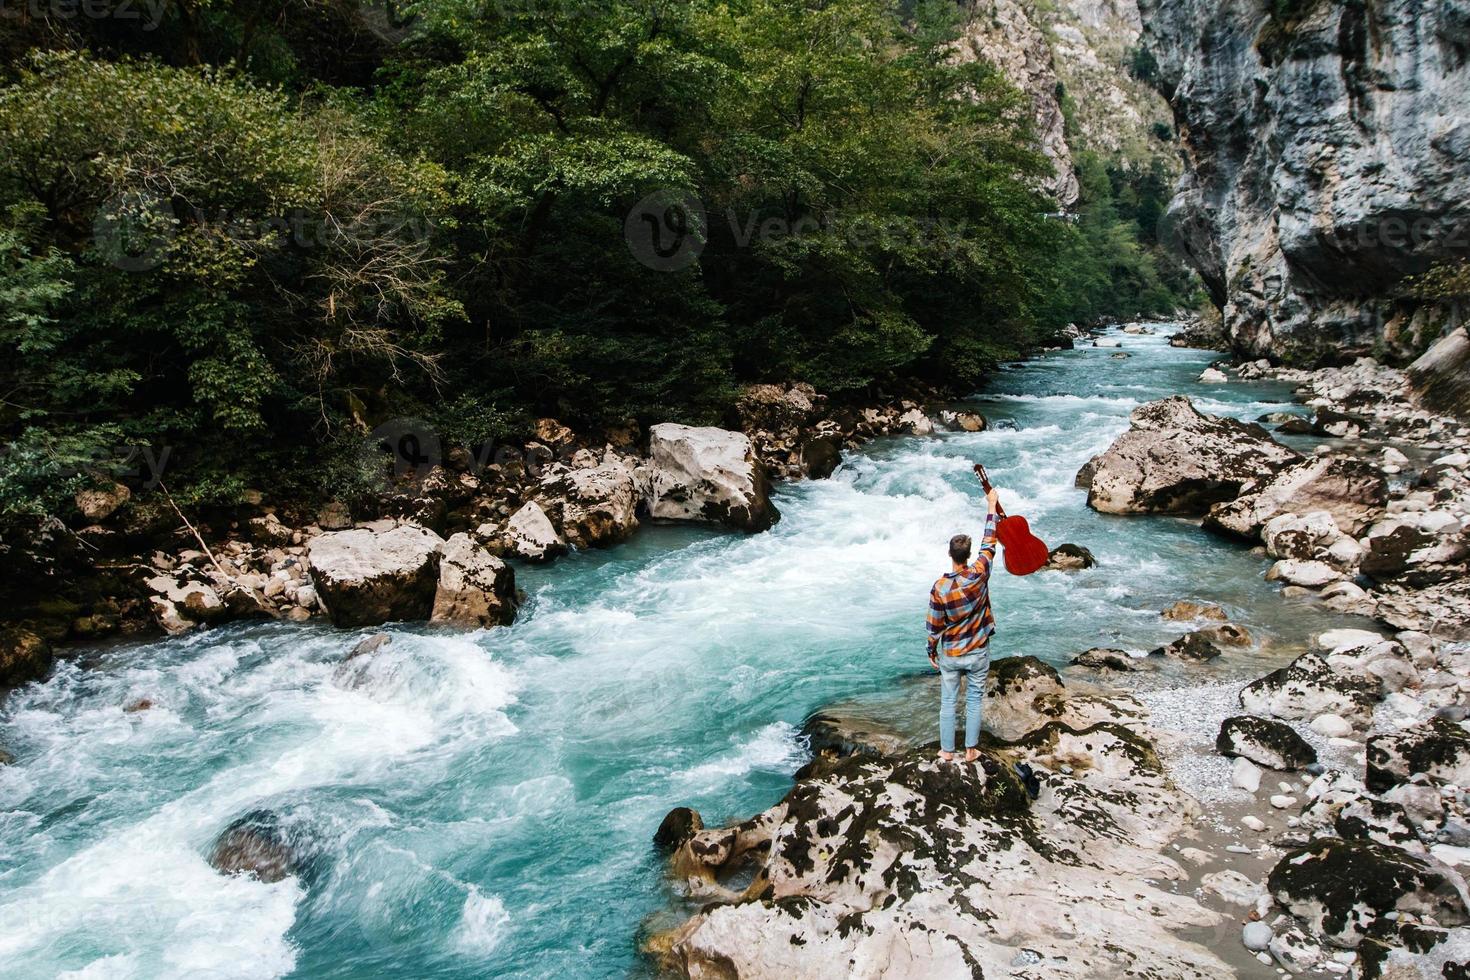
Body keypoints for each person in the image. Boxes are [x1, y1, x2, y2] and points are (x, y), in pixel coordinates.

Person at [926, 467, 1000, 764]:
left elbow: (933, 627)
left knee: (947, 702)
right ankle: (971, 750)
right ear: (968, 555)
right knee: (973, 700)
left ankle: (947, 751)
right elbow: (990, 541)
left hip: (952, 653)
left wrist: (932, 651)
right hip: (978, 650)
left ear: (950, 554)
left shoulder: (940, 588)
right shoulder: (981, 572)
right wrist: (991, 505)